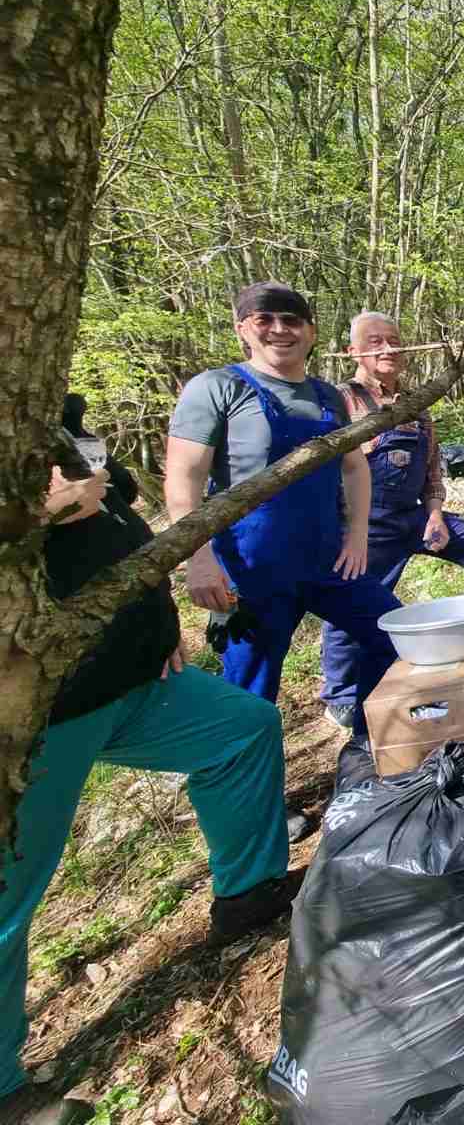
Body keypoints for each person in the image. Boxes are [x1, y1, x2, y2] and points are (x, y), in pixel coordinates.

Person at [0, 465, 294, 1123]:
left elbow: (120, 496)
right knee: (7, 894)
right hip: (38, 711)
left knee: (242, 729)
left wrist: (153, 633)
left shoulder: (49, 411)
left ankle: (249, 893)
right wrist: (35, 510)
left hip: (137, 682)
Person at [165, 282, 400, 755]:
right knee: (249, 693)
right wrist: (199, 560)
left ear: (311, 332)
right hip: (248, 573)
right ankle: (257, 803)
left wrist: (355, 535)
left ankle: (371, 744)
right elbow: (182, 479)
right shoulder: (218, 387)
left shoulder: (328, 397)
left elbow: (353, 466)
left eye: (292, 320)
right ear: (242, 329)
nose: (279, 329)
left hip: (326, 561)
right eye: (264, 319)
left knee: (396, 635)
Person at [318, 312, 464, 730]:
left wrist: (434, 514)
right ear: (353, 351)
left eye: (394, 340)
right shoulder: (339, 401)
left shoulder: (417, 405)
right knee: (350, 598)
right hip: (362, 527)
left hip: (413, 517)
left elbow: (432, 470)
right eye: (375, 342)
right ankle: (341, 696)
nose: (388, 349)